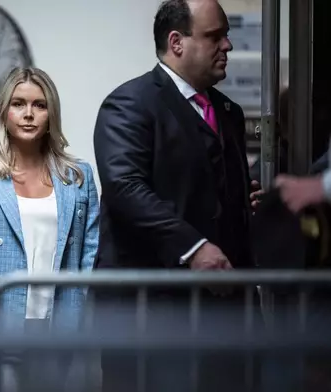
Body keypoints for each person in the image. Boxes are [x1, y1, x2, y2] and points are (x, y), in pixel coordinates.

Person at [93, 0, 260, 390]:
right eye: (214, 36)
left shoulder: (228, 111)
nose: (228, 46)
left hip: (224, 315)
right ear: (177, 42)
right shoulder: (130, 104)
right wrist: (195, 247)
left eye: (226, 36)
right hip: (150, 314)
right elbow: (125, 187)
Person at [0, 66, 99, 388]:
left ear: (51, 113)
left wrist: (77, 317)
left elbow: (88, 258)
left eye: (40, 105)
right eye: (18, 104)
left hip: (58, 327)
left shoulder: (78, 177)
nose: (29, 114)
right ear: (3, 111)